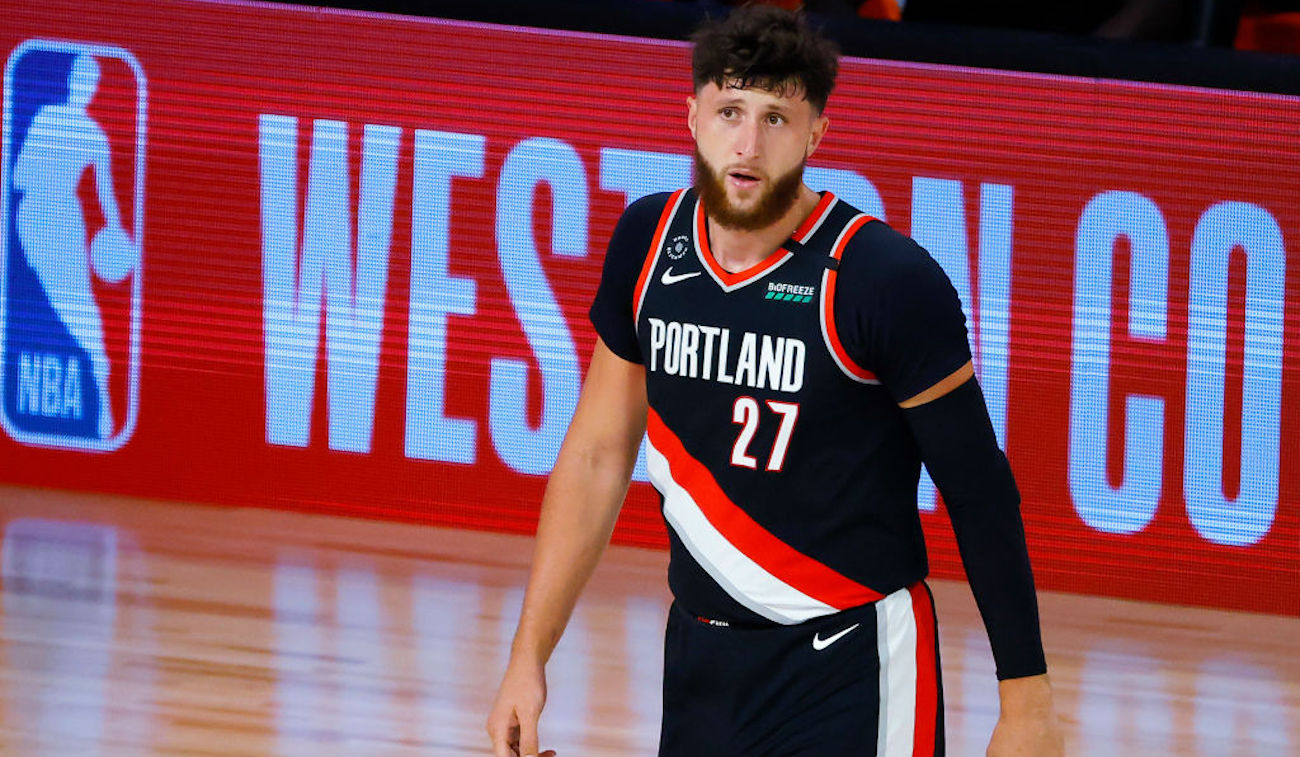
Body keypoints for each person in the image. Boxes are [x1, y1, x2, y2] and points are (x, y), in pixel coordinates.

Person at [487, 5, 1064, 755]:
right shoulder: (648, 242)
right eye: (730, 111)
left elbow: (977, 488)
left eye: (776, 118)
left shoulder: (882, 279)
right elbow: (598, 454)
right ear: (692, 116)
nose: (748, 144)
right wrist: (527, 657)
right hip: (699, 662)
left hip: (853, 664)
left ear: (816, 134)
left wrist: (1027, 702)